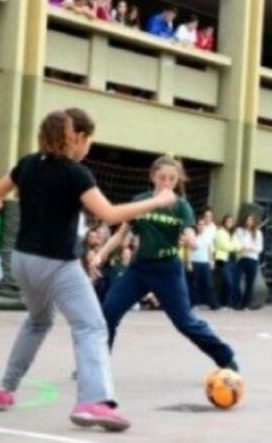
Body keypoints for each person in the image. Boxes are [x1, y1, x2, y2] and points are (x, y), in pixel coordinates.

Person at [0, 108, 177, 431]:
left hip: (22, 261)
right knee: (92, 326)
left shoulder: (28, 163)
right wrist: (156, 201)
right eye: (89, 141)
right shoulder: (75, 173)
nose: (88, 148)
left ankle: (5, 389)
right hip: (56, 264)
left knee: (38, 320)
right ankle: (93, 402)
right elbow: (111, 214)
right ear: (79, 138)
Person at [95, 156, 238, 375]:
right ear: (153, 177)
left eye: (172, 179)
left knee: (185, 322)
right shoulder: (141, 201)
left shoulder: (182, 207)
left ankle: (226, 358)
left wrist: (191, 241)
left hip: (168, 271)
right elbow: (121, 234)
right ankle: (97, 364)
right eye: (162, 178)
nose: (166, 183)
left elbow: (191, 235)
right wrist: (101, 254)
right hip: (140, 269)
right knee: (109, 312)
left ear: (177, 180)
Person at [233, 214, 264, 311]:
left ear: (254, 222)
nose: (249, 222)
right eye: (247, 219)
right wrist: (246, 247)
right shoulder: (240, 231)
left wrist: (248, 247)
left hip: (252, 260)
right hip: (241, 259)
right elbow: (237, 243)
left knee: (249, 283)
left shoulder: (258, 233)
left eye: (251, 220)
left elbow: (259, 248)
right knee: (235, 281)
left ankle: (245, 305)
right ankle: (236, 302)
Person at [189, 209, 218, 310]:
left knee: (209, 284)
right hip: (194, 261)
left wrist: (212, 261)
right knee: (194, 284)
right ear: (196, 225)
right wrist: (188, 262)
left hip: (205, 262)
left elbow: (210, 248)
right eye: (199, 224)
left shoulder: (207, 235)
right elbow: (188, 249)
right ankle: (194, 304)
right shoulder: (192, 235)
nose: (201, 226)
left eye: (202, 224)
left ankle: (214, 305)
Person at [213, 214, 238, 308]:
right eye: (227, 221)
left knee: (229, 282)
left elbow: (239, 246)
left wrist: (232, 245)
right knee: (226, 282)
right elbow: (224, 246)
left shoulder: (232, 233)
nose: (229, 223)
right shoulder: (220, 232)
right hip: (221, 259)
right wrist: (233, 245)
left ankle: (226, 303)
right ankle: (223, 303)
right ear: (224, 222)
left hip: (232, 260)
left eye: (231, 221)